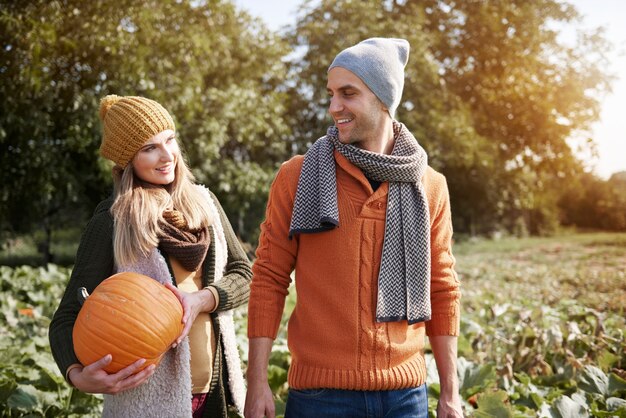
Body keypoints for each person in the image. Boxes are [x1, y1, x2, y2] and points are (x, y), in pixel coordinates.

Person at [244, 38, 462, 418]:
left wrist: (450, 393)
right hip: (318, 397)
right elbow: (268, 277)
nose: (333, 107)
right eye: (331, 93)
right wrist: (257, 382)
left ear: (383, 99)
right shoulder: (298, 176)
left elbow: (441, 287)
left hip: (405, 396)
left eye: (348, 93)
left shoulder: (429, 185)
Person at [49, 95, 252, 418]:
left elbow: (244, 273)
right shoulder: (112, 220)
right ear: (128, 160)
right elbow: (66, 317)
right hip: (147, 403)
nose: (166, 155)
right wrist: (77, 375)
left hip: (215, 392)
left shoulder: (206, 203)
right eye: (149, 148)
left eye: (169, 140)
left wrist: (204, 299)